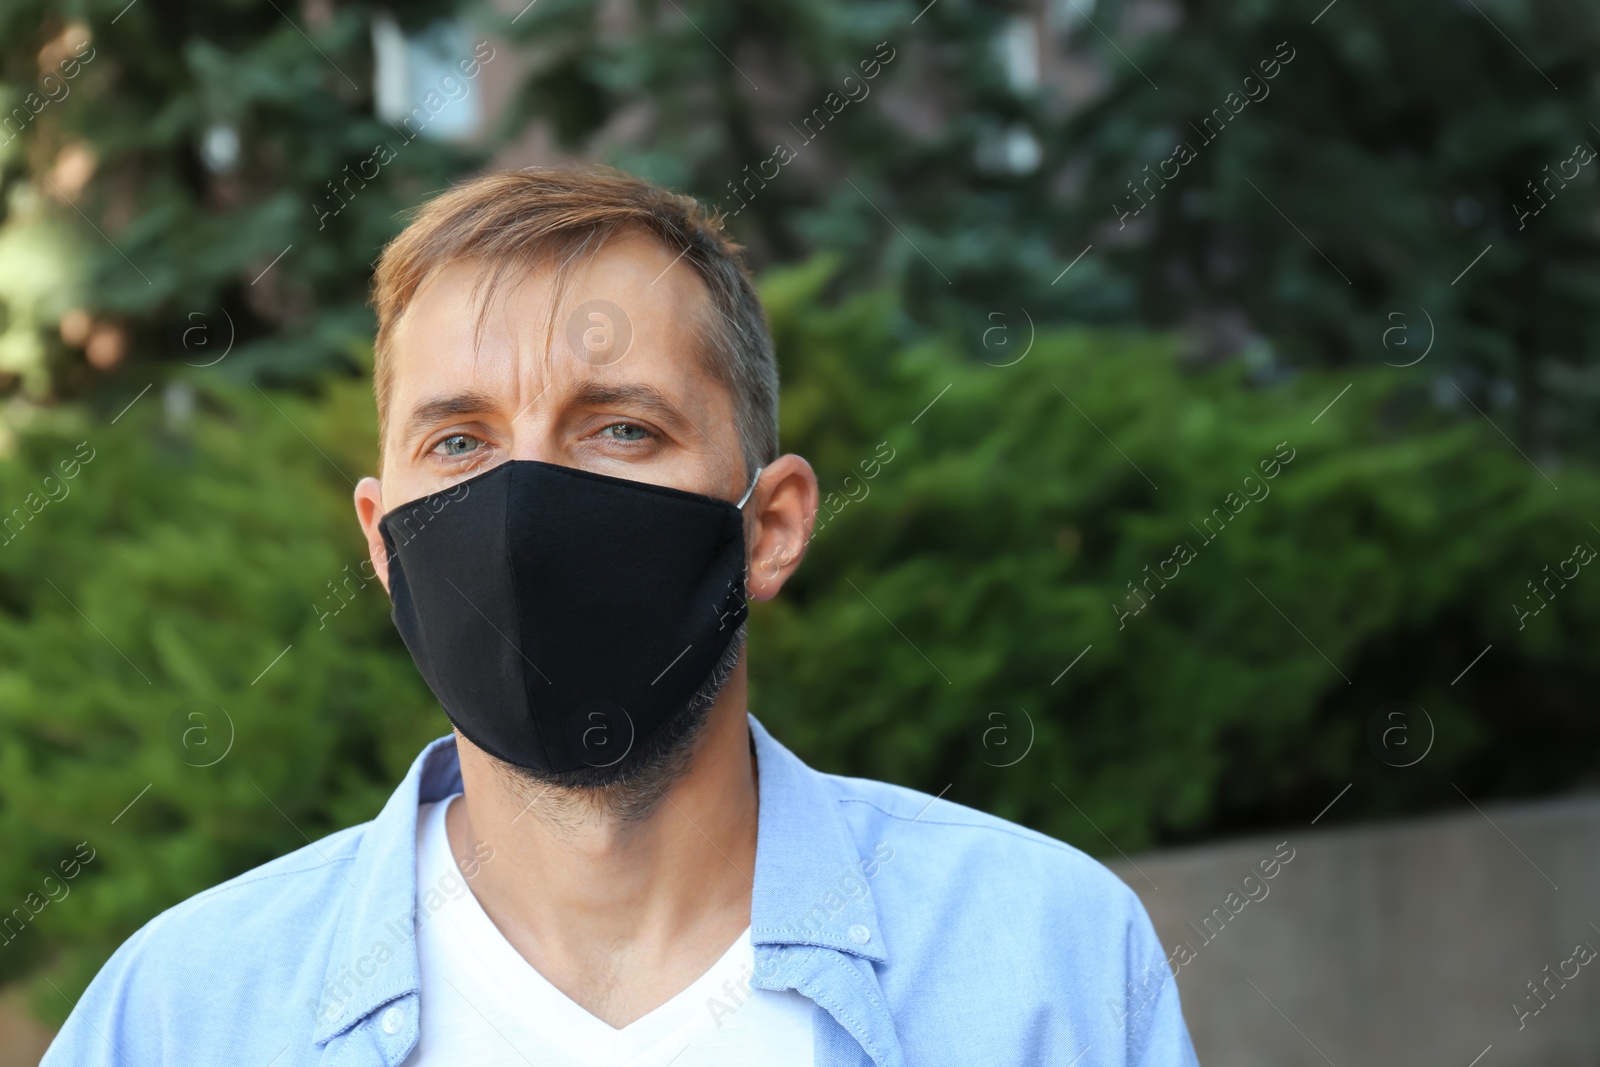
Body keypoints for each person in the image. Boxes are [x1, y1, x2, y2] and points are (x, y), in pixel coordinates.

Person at [42, 167, 1199, 1066]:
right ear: (382, 542)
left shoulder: (1046, 961)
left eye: (621, 429)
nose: (525, 504)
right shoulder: (185, 1012)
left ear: (771, 525)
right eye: (460, 440)